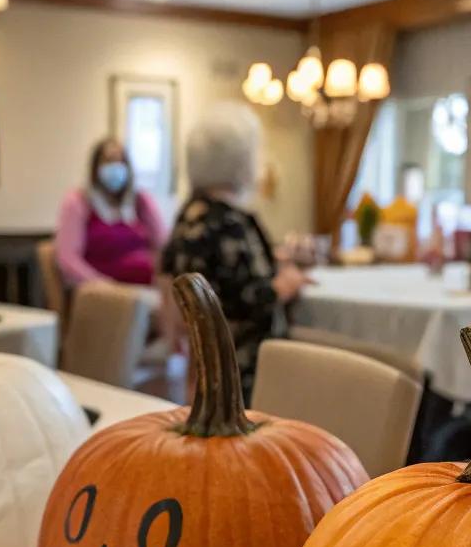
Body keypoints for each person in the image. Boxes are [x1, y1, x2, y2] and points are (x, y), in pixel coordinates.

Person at [161, 104, 308, 397]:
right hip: (245, 371)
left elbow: (177, 271)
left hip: (206, 364)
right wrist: (288, 282)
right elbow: (252, 298)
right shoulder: (232, 223)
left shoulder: (189, 215)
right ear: (243, 161)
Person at [55, 138, 167, 288]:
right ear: (96, 167)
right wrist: (102, 284)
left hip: (146, 285)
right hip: (105, 290)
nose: (116, 167)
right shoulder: (78, 202)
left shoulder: (138, 201)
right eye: (109, 161)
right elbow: (67, 258)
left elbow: (162, 243)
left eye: (121, 161)